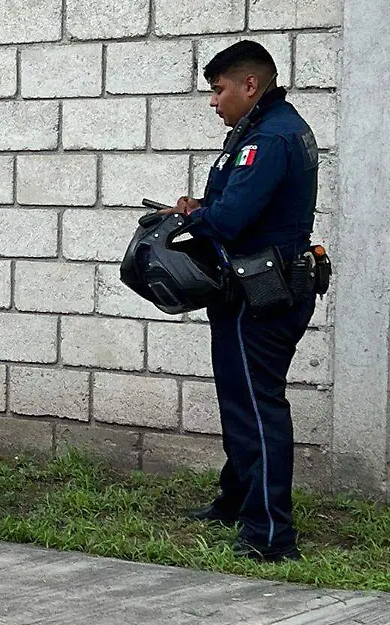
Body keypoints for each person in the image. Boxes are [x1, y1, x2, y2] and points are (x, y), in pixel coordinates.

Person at [159, 41, 320, 562]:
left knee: (258, 405)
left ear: (250, 85)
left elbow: (232, 220)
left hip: (264, 294)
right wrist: (200, 206)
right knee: (240, 398)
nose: (214, 101)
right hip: (247, 288)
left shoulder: (270, 138)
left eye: (219, 89)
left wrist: (189, 219)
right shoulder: (259, 130)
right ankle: (237, 500)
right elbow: (234, 205)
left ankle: (271, 535)